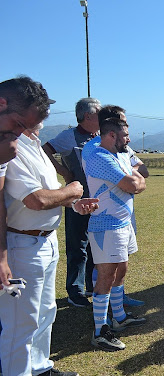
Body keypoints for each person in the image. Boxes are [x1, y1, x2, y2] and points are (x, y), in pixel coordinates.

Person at [1, 122, 98, 376]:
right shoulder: (13, 148)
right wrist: (72, 191)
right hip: (22, 242)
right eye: (39, 112)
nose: (44, 118)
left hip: (45, 239)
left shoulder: (36, 147)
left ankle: (39, 370)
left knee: (45, 311)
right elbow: (35, 200)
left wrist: (72, 203)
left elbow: (49, 194)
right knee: (21, 320)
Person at [84, 116, 146, 351]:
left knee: (122, 269)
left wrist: (135, 180)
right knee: (106, 276)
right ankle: (100, 331)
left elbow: (139, 177)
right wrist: (135, 182)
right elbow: (132, 184)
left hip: (122, 223)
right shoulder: (98, 157)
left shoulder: (119, 155)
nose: (128, 139)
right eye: (125, 135)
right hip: (106, 225)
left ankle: (119, 318)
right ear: (111, 135)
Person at [43, 97, 102, 307]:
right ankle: (74, 291)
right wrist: (64, 172)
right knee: (78, 245)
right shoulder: (70, 135)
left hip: (98, 201)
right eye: (99, 113)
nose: (102, 116)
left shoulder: (100, 136)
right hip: (76, 200)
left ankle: (92, 286)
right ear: (88, 116)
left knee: (96, 245)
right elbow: (45, 150)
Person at [0, 76, 54, 291]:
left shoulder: (6, 143)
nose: (19, 135)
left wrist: (2, 257)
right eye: (19, 124)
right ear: (2, 103)